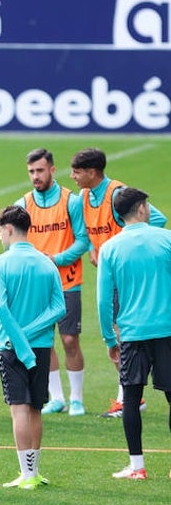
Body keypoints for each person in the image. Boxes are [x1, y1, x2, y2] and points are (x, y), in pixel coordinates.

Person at [70, 147, 167, 418]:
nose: (72, 176)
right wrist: (92, 247)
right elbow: (89, 229)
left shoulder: (117, 194)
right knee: (119, 333)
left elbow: (156, 219)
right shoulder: (85, 196)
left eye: (77, 171)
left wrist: (131, 249)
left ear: (92, 172)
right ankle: (129, 397)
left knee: (123, 334)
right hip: (110, 274)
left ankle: (130, 398)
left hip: (124, 275)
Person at [95, 187, 171, 481]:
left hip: (133, 334)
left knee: (130, 398)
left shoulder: (110, 249)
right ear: (141, 209)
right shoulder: (166, 239)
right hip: (167, 330)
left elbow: (103, 301)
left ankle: (137, 466)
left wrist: (108, 339)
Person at [0, 205, 67, 490]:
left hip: (10, 345)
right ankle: (34, 471)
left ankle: (27, 474)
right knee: (35, 407)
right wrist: (33, 332)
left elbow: (1, 307)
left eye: (0, 232)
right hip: (42, 346)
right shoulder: (47, 263)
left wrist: (19, 337)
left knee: (19, 409)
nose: (0, 238)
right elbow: (59, 308)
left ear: (9, 230)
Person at [14, 149, 90, 417]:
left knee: (70, 339)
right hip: (38, 285)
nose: (36, 176)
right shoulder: (23, 204)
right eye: (32, 172)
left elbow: (83, 240)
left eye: (40, 171)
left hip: (68, 281)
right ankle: (56, 397)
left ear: (52, 170)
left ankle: (77, 398)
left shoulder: (71, 201)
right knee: (44, 342)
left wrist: (55, 259)